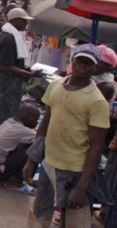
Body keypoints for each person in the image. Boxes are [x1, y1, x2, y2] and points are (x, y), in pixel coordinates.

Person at [23, 44, 110, 228]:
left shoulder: (97, 101)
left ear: (95, 67)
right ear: (73, 60)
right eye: (80, 60)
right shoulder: (56, 85)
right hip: (49, 165)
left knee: (75, 221)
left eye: (89, 63)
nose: (83, 65)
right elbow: (44, 124)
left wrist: (82, 187)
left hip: (75, 171)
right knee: (39, 216)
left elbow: (96, 146)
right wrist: (32, 159)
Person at [0, 8, 42, 127]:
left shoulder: (9, 34)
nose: (26, 24)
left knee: (4, 111)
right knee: (8, 113)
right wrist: (30, 74)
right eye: (23, 21)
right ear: (15, 20)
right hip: (9, 82)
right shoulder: (9, 38)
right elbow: (6, 65)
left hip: (8, 80)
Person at [0, 103, 40, 195]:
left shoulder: (9, 121)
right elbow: (41, 138)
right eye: (35, 120)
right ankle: (16, 182)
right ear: (28, 119)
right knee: (37, 148)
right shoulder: (23, 131)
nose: (36, 123)